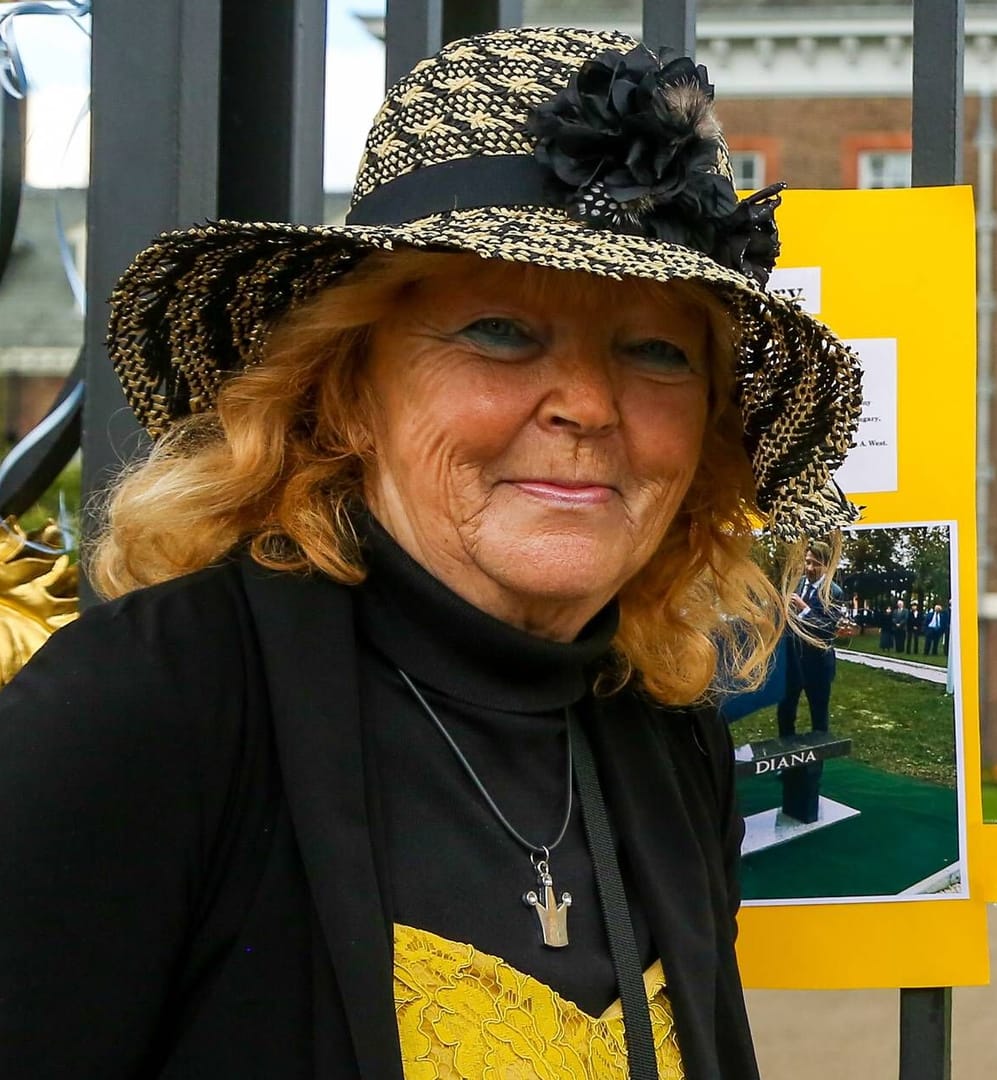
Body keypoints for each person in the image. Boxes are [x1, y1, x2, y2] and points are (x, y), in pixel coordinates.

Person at [0, 30, 867, 1079]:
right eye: (501, 331)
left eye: (655, 350)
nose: (590, 406)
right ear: (349, 387)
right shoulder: (151, 705)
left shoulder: (668, 739)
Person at [778, 544, 844, 738]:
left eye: (815, 564)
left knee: (819, 717)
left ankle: (815, 766)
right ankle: (787, 761)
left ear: (826, 565)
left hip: (818, 665)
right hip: (793, 663)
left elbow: (826, 628)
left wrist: (804, 608)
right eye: (807, 562)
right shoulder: (797, 585)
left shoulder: (834, 592)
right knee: (785, 712)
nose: (809, 568)